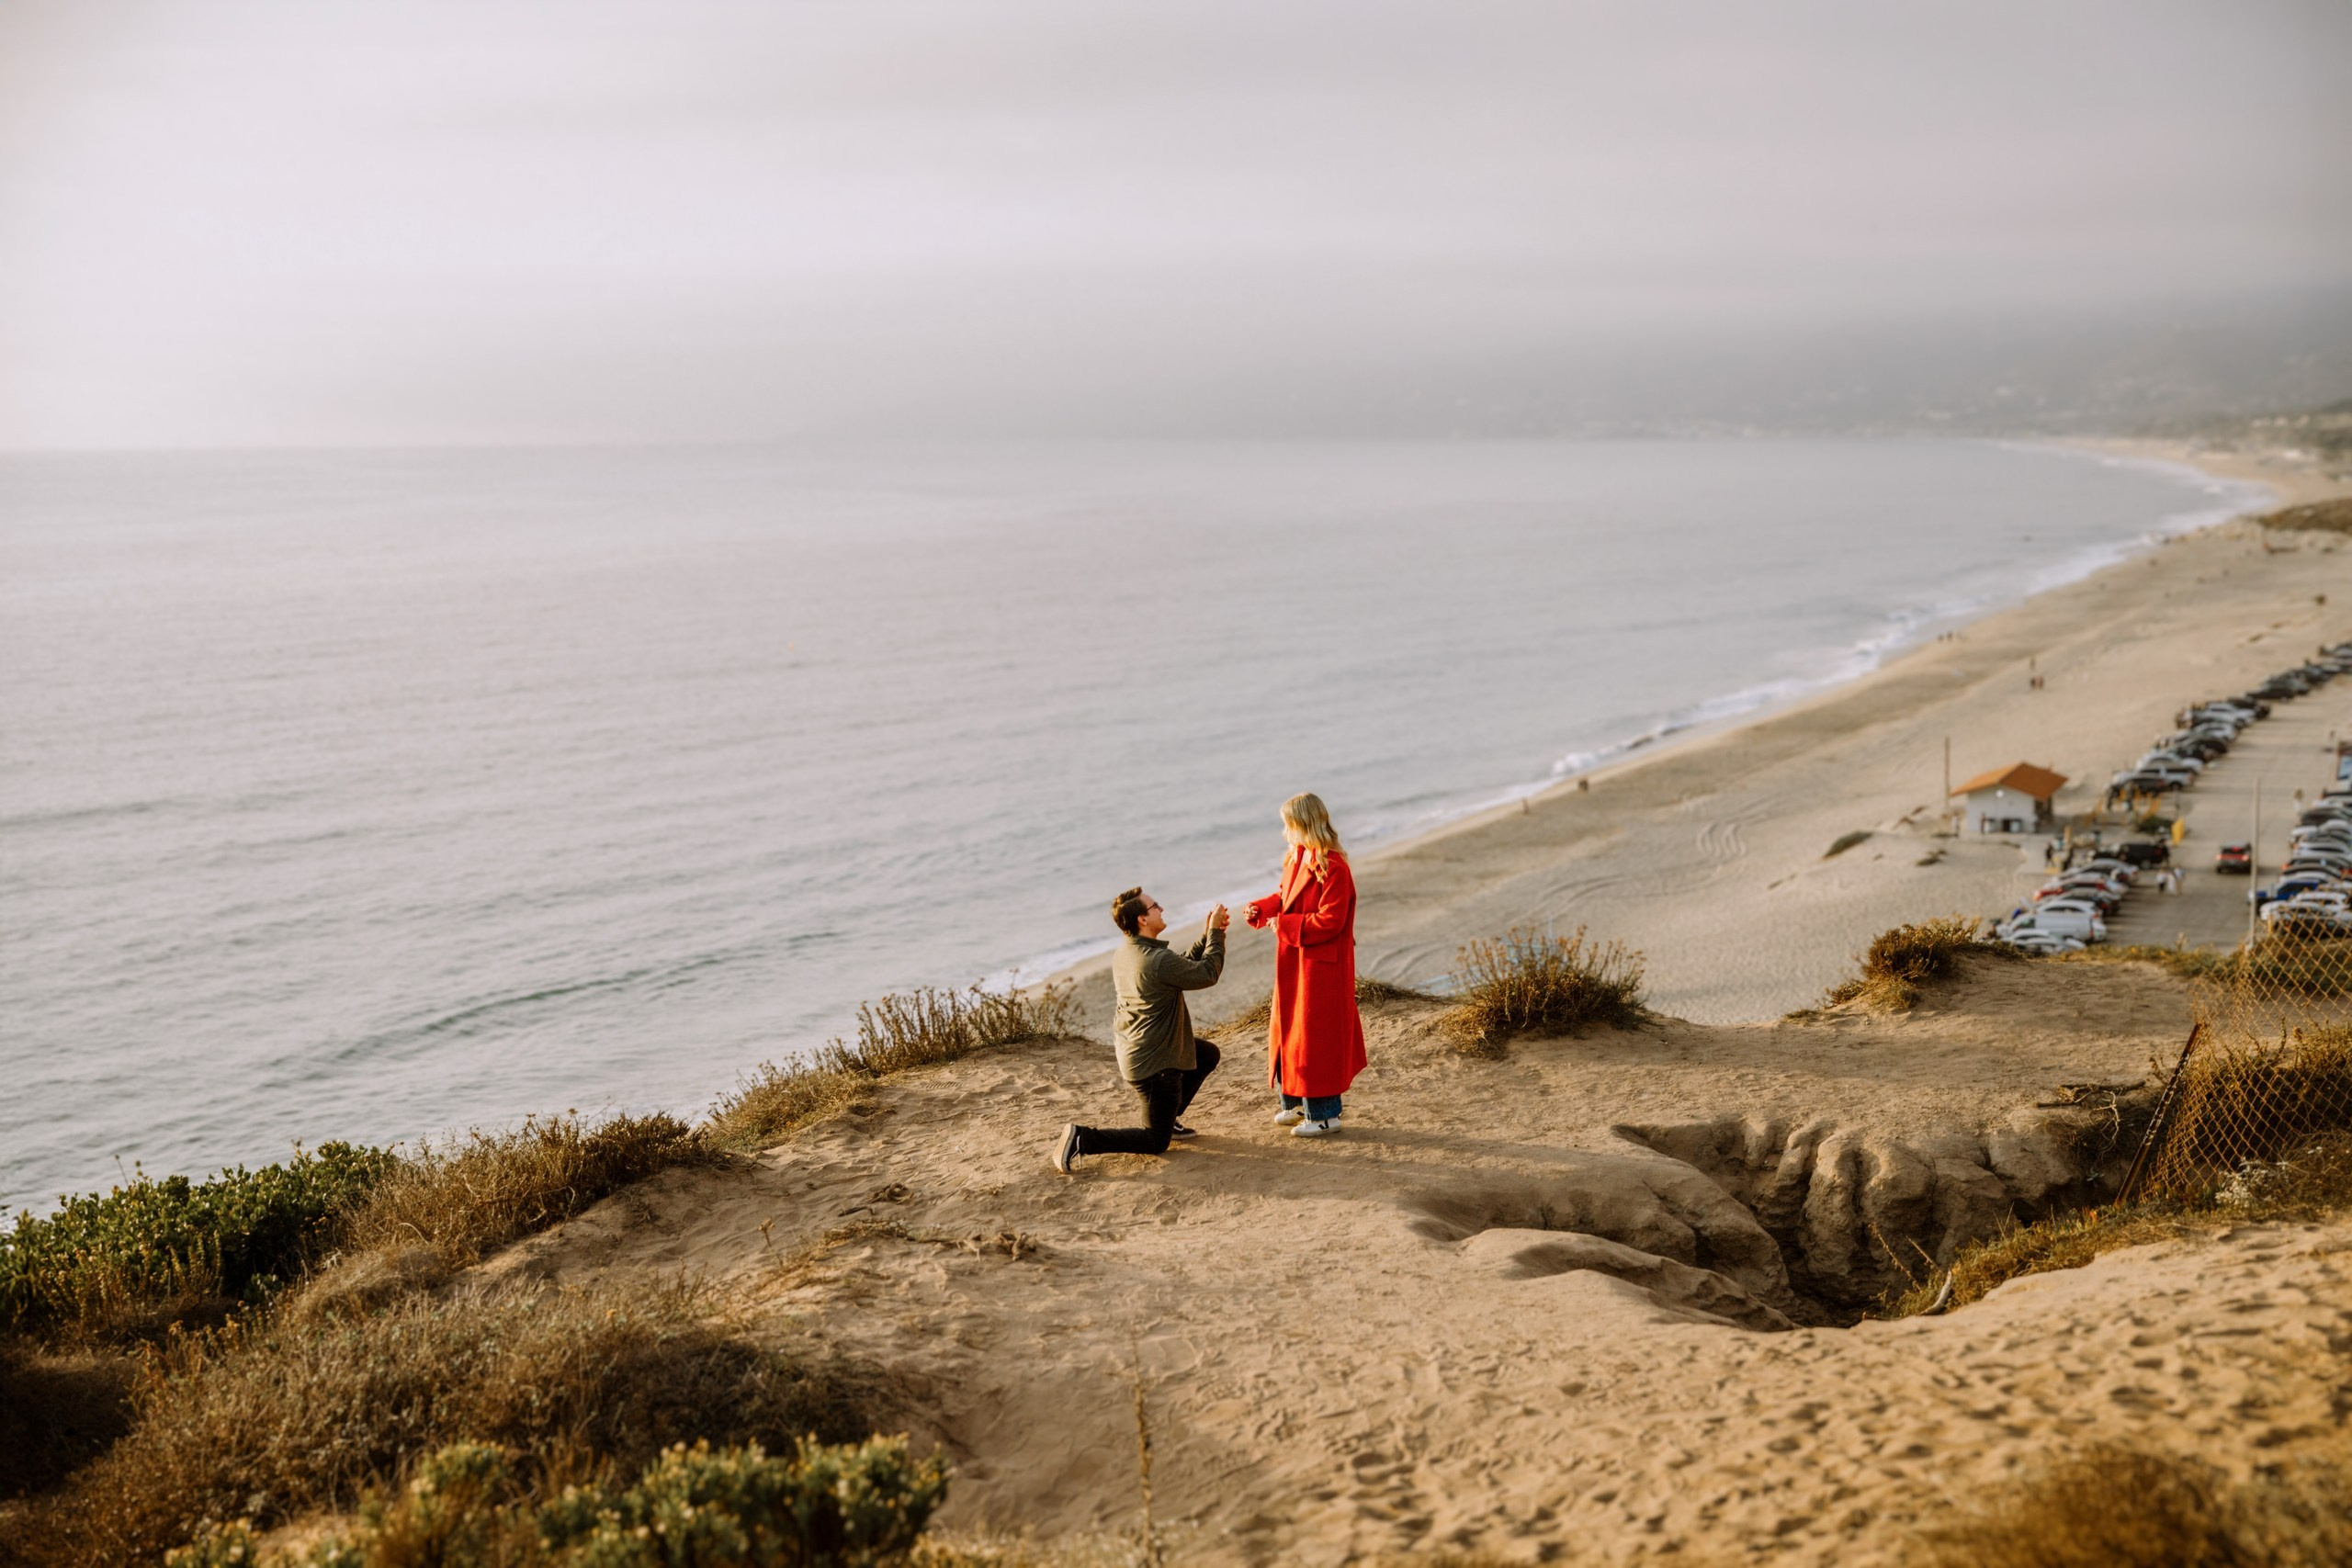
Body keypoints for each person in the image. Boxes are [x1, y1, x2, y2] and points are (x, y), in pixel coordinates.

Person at [1050, 889, 1226, 1174]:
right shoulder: (1156, 960)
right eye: (1156, 906)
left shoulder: (1130, 950)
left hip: (1138, 1051)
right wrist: (1216, 934)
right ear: (1143, 918)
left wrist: (1206, 936)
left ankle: (1169, 1118)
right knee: (1156, 1141)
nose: (1162, 909)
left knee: (1205, 1054)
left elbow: (1179, 967)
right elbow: (1206, 973)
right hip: (1156, 1065)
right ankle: (1082, 1137)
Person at [1244, 792, 1365, 1137]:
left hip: (1321, 967)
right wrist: (1263, 908)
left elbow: (1332, 921)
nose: (1286, 832)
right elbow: (1285, 896)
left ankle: (1326, 1116)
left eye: (1289, 825)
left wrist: (1283, 925)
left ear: (1304, 824)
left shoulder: (1334, 866)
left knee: (1315, 1040)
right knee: (1290, 1034)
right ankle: (1295, 1105)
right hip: (1297, 960)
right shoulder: (1296, 857)